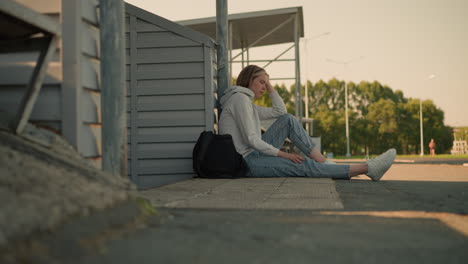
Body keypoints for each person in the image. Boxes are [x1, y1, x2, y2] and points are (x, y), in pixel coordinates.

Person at [218, 65, 396, 181]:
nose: (265, 87)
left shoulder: (246, 102)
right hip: (247, 162)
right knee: (301, 165)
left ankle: (322, 162)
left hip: (255, 154)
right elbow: (252, 140)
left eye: (267, 84)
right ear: (248, 80)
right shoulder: (240, 100)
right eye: (261, 83)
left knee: (288, 120)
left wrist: (268, 82)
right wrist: (285, 155)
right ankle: (368, 168)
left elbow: (281, 112)